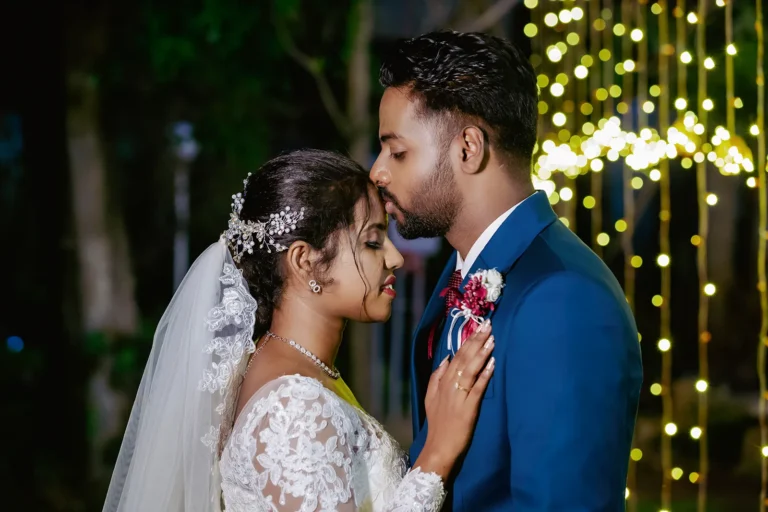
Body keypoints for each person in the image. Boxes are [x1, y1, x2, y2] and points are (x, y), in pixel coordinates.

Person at [102, 149, 496, 512]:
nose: (394, 258)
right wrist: (436, 457)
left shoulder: (290, 370)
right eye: (373, 242)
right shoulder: (292, 407)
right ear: (305, 261)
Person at [371, 31, 644, 510]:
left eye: (397, 152)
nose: (377, 171)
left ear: (468, 148)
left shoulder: (564, 297)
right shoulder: (460, 275)